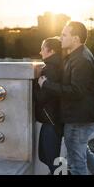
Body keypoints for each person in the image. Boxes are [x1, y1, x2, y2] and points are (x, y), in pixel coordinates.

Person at [38, 21, 94, 175]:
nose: (60, 38)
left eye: (64, 35)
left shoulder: (81, 60)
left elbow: (76, 91)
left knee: (77, 164)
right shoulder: (77, 55)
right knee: (85, 154)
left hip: (78, 119)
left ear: (75, 38)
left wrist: (47, 84)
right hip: (80, 117)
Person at [34, 37, 64, 174]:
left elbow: (42, 97)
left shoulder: (50, 69)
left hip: (51, 120)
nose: (40, 52)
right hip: (53, 119)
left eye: (42, 49)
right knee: (47, 158)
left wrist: (35, 84)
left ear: (51, 51)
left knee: (52, 160)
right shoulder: (57, 66)